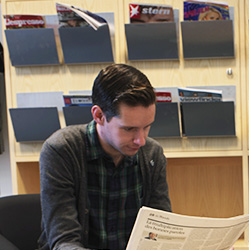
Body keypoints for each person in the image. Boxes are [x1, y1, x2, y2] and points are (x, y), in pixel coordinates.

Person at [38, 64, 171, 250]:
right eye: (129, 129)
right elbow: (64, 241)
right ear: (99, 115)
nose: (140, 140)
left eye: (147, 126)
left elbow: (160, 232)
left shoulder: (152, 154)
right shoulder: (61, 150)